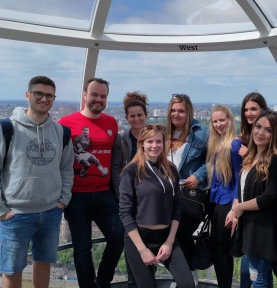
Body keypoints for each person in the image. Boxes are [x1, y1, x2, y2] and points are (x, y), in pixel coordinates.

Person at [0, 76, 74, 288]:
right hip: (16, 213)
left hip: (51, 211)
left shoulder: (60, 132)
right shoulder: (8, 129)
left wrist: (62, 200)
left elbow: (66, 168)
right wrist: (2, 210)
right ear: (28, 95)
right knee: (11, 269)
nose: (43, 99)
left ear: (54, 98)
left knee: (44, 262)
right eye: (38, 94)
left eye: (49, 95)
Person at [59, 78, 124, 288]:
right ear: (85, 95)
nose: (98, 99)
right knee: (82, 247)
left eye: (103, 96)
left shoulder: (112, 123)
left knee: (118, 237)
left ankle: (103, 282)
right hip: (76, 196)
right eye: (94, 94)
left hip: (104, 193)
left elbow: (116, 158)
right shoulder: (66, 124)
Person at [119, 125, 195, 288]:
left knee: (187, 284)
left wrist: (169, 241)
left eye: (158, 141)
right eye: (150, 141)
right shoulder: (131, 171)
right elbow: (125, 212)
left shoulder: (171, 170)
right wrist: (142, 249)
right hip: (139, 238)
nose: (154, 145)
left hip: (167, 236)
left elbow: (177, 207)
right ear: (142, 144)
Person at [234, 109, 277, 288]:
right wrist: (237, 207)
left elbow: (269, 197)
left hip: (263, 230)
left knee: (258, 280)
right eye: (258, 127)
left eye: (268, 130)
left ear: (274, 134)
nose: (260, 133)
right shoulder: (250, 158)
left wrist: (241, 207)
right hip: (253, 227)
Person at [165, 93, 209, 270]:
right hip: (168, 195)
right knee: (172, 238)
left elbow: (214, 160)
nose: (176, 114)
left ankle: (187, 278)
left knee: (180, 237)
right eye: (173, 110)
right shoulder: (164, 133)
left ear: (189, 112)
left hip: (190, 195)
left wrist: (198, 176)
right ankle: (185, 278)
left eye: (181, 111)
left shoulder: (201, 133)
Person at [111, 91, 148, 288]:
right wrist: (123, 198)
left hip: (150, 202)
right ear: (127, 118)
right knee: (133, 250)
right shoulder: (122, 139)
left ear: (146, 115)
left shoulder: (155, 136)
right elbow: (116, 171)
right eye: (132, 116)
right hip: (130, 201)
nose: (136, 119)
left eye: (139, 115)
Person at [207, 105, 242, 288]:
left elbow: (238, 178)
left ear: (230, 120)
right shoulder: (218, 143)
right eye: (215, 121)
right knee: (219, 250)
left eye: (222, 120)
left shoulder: (234, 145)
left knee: (220, 250)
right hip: (217, 201)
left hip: (227, 203)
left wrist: (234, 210)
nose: (219, 124)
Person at [237, 92, 269, 288]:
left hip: (260, 216)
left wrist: (250, 154)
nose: (249, 113)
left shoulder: (266, 143)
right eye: (246, 109)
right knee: (248, 266)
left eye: (253, 109)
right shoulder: (245, 137)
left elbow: (270, 187)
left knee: (258, 273)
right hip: (245, 212)